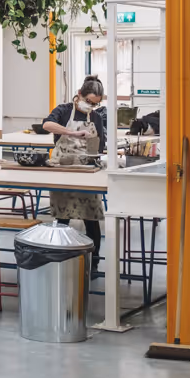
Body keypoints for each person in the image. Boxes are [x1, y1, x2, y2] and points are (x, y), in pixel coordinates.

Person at [42, 75, 108, 272]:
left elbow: (99, 147)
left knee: (91, 219)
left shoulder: (95, 118)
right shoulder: (63, 111)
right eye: (88, 101)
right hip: (63, 171)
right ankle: (60, 262)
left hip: (86, 173)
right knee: (62, 218)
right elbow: (47, 125)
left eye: (95, 104)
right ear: (79, 94)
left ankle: (93, 263)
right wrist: (71, 133)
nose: (91, 106)